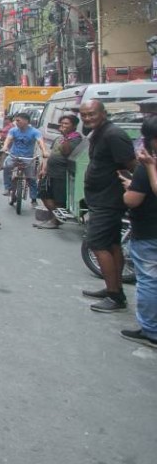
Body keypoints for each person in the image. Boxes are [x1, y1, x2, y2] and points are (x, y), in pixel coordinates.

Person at [78, 100, 137, 312]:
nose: (87, 118)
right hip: (101, 199)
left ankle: (115, 297)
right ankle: (114, 288)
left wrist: (133, 189)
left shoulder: (114, 135)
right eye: (84, 115)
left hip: (108, 201)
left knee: (97, 244)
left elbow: (132, 165)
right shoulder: (99, 133)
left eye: (92, 114)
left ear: (103, 113)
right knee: (112, 244)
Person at [120, 116, 157, 347]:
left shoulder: (147, 166)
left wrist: (128, 189)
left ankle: (151, 330)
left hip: (149, 231)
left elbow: (132, 200)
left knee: (149, 280)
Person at [36, 114, 83, 229]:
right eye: (61, 123)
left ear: (74, 126)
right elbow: (51, 154)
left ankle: (55, 221)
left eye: (66, 124)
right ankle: (56, 217)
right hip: (50, 172)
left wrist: (66, 136)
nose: (63, 126)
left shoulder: (76, 139)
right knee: (44, 193)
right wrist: (44, 169)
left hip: (62, 173)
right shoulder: (59, 138)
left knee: (59, 199)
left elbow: (66, 152)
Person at [1, 112, 47, 203]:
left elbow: (40, 142)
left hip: (28, 158)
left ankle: (33, 198)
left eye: (18, 120)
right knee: (6, 166)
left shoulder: (35, 132)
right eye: (16, 121)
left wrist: (44, 151)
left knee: (31, 178)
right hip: (14, 156)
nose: (16, 122)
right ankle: (7, 188)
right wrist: (5, 147)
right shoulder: (13, 130)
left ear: (26, 121)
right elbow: (8, 139)